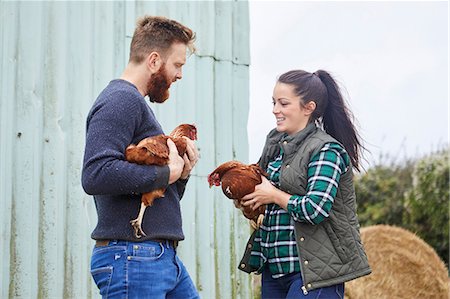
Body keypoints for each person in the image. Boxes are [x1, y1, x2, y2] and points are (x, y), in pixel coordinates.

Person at [81, 15, 200, 299]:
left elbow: (151, 193)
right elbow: (95, 174)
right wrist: (167, 173)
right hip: (133, 257)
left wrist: (179, 175)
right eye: (178, 65)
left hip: (157, 256)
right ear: (155, 60)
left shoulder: (133, 103)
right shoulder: (121, 99)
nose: (180, 75)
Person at [239, 70, 372, 298]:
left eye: (283, 103)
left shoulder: (326, 150)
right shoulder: (275, 144)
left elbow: (315, 208)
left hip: (313, 273)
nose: (275, 110)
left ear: (308, 107)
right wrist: (250, 201)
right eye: (273, 103)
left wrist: (272, 195)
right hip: (275, 268)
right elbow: (261, 188)